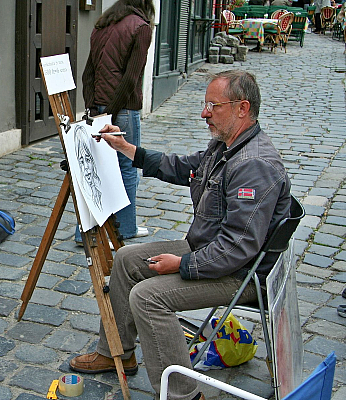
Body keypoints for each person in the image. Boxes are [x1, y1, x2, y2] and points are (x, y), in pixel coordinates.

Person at [69, 70, 292, 400]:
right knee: (128, 258)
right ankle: (117, 351)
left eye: (213, 106)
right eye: (205, 104)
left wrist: (182, 264)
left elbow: (238, 248)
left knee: (147, 297)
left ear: (242, 108)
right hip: (212, 251)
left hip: (240, 274)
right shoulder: (226, 147)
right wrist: (127, 148)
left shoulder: (253, 163)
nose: (204, 113)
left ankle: (184, 395)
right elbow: (183, 167)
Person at [77, 0, 155, 243]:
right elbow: (131, 78)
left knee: (94, 168)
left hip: (100, 106)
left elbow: (87, 73)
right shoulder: (141, 27)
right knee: (128, 167)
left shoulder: (102, 25)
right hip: (122, 110)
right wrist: (111, 112)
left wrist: (93, 108)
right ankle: (125, 228)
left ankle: (87, 232)